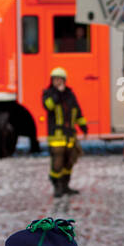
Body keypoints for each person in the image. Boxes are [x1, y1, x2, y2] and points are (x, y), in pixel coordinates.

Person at [42, 68, 87, 199]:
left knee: (69, 162)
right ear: (52, 81)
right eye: (55, 79)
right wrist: (57, 94)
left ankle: (66, 186)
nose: (58, 82)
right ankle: (57, 186)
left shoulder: (70, 94)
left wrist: (83, 126)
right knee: (57, 162)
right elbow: (48, 106)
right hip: (56, 136)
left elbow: (77, 111)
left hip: (69, 135)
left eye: (60, 79)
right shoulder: (48, 93)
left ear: (64, 80)